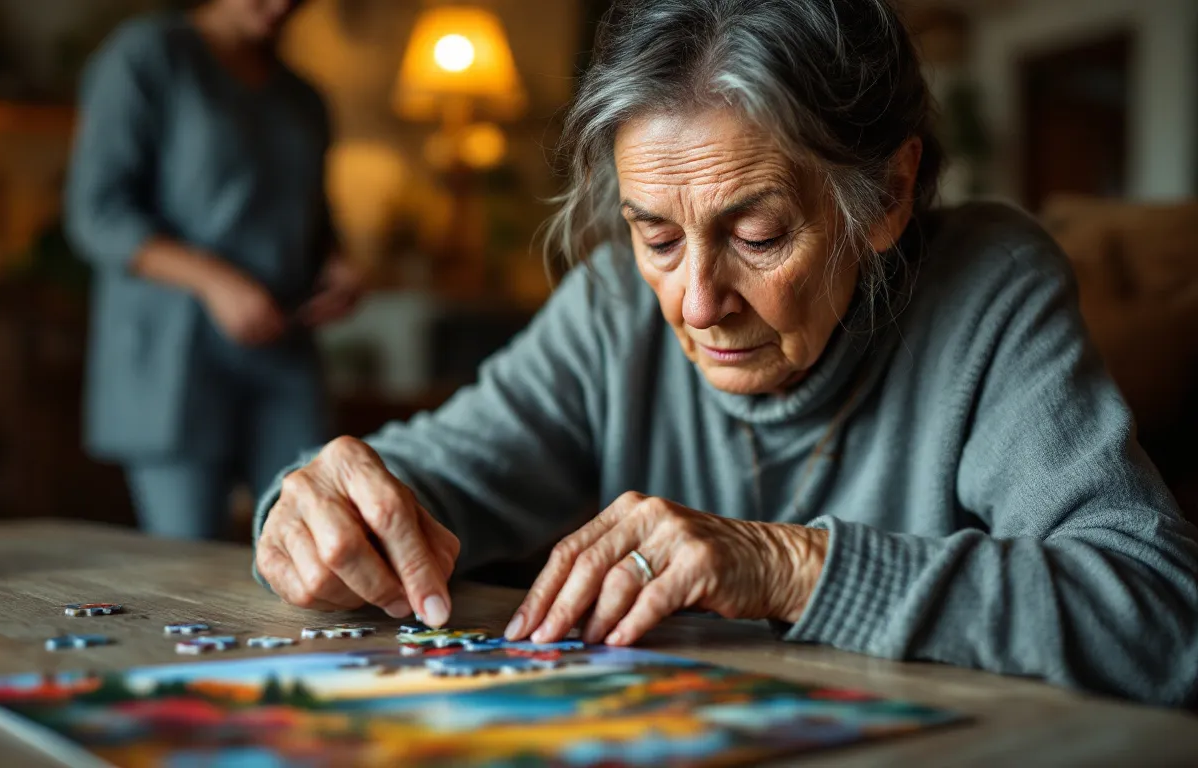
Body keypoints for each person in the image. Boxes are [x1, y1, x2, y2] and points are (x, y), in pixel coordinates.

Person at [252, 0, 1198, 706]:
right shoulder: (613, 309)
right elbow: (423, 477)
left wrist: (789, 566)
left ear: (891, 194)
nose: (695, 304)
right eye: (656, 237)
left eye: (757, 234)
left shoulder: (990, 286)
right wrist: (314, 511)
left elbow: (1163, 613)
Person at [66, 0, 363, 540]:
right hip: (174, 357)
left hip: (284, 350)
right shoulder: (148, 58)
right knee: (187, 563)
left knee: (315, 540)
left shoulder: (304, 97)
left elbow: (315, 215)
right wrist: (215, 281)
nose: (279, 7)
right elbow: (96, 213)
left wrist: (338, 265)